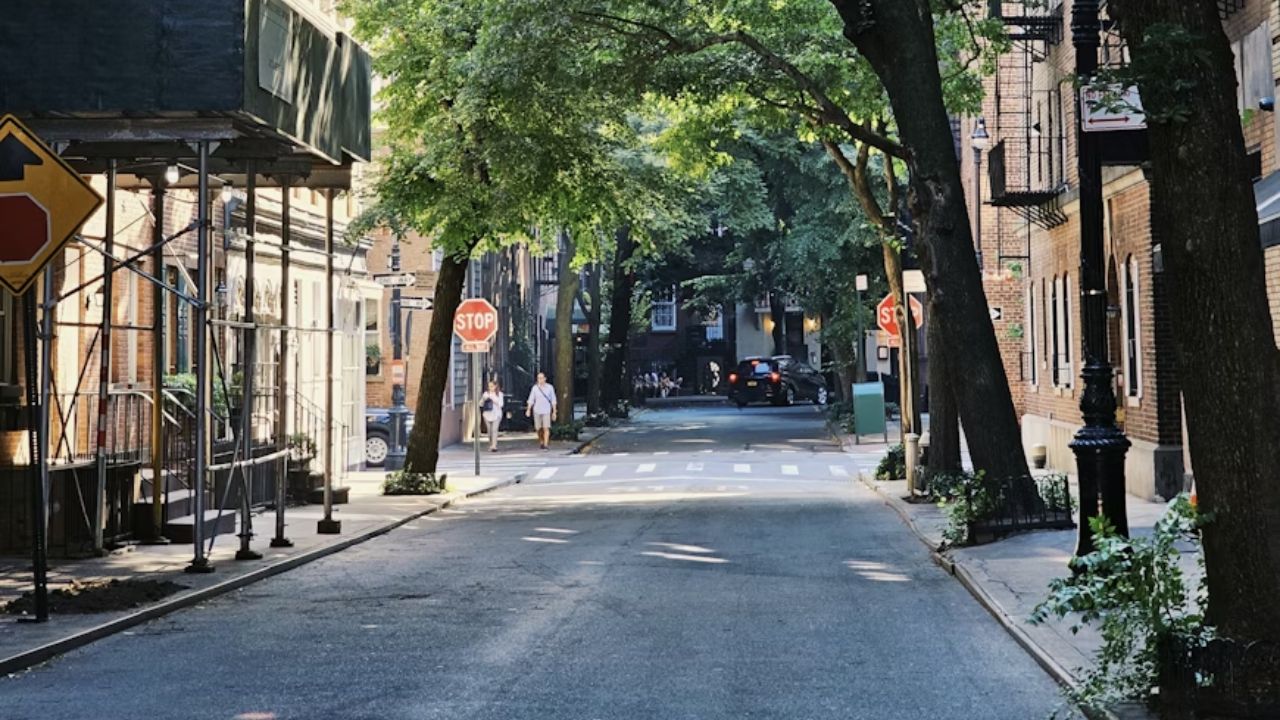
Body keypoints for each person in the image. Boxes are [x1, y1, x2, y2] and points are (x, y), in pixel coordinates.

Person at [525, 371, 557, 450]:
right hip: (537, 410)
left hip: (546, 410)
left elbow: (553, 400)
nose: (540, 380)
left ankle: (546, 444)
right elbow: (531, 399)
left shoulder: (550, 388)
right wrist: (528, 409)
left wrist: (554, 411)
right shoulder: (535, 388)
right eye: (539, 378)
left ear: (545, 379)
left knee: (546, 427)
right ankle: (541, 440)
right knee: (538, 428)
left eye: (542, 378)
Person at [481, 380, 505, 452]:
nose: (490, 388)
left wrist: (493, 398)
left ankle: (494, 446)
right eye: (489, 386)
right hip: (487, 414)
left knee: (494, 430)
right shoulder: (486, 394)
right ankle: (491, 444)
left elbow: (501, 404)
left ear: (495, 386)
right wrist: (484, 399)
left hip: (496, 414)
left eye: (491, 386)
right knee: (489, 431)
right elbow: (481, 404)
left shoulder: (500, 394)